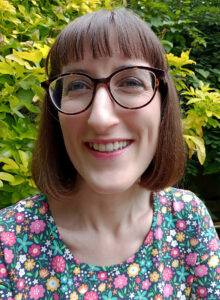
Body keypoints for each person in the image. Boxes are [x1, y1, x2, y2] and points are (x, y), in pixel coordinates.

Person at [0, 8, 219, 300]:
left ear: (163, 105)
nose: (100, 119)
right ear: (56, 114)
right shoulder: (7, 242)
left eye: (130, 82)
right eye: (77, 85)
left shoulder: (189, 221)